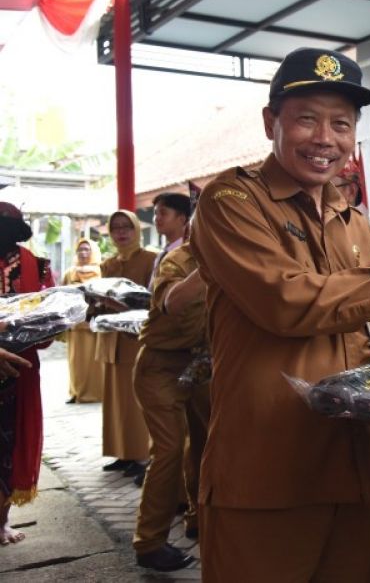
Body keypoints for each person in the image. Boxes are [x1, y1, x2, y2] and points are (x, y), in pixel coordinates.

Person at [189, 47, 370, 582]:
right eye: (307, 119)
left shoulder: (356, 226)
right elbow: (286, 301)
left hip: (352, 471)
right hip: (266, 473)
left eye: (341, 124)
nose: (325, 138)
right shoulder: (232, 201)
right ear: (271, 122)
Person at [132, 237, 209, 572]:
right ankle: (149, 543)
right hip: (160, 365)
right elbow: (173, 302)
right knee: (169, 449)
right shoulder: (177, 259)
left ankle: (199, 520)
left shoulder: (241, 254)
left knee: (208, 445)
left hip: (203, 364)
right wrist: (212, 264)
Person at [0, 202, 54, 544]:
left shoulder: (40, 266)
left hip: (20, 370)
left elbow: (49, 324)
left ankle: (1, 522)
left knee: (11, 446)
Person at [97, 210, 155, 477]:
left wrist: (121, 305)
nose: (121, 232)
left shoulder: (150, 260)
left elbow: (151, 300)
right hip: (111, 339)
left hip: (135, 339)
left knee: (135, 399)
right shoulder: (107, 264)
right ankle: (122, 452)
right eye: (116, 228)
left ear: (136, 230)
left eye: (126, 227)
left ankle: (141, 454)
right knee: (115, 401)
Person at [63, 238, 103, 404]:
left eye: (87, 249)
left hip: (94, 323)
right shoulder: (70, 273)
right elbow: (62, 295)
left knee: (95, 361)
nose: (83, 253)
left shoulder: (101, 271)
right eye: (80, 250)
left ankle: (97, 392)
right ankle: (77, 392)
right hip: (76, 323)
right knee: (76, 361)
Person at [149, 193, 191, 282]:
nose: (156, 218)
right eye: (155, 213)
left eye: (163, 213)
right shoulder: (162, 253)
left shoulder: (188, 253)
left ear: (182, 219)